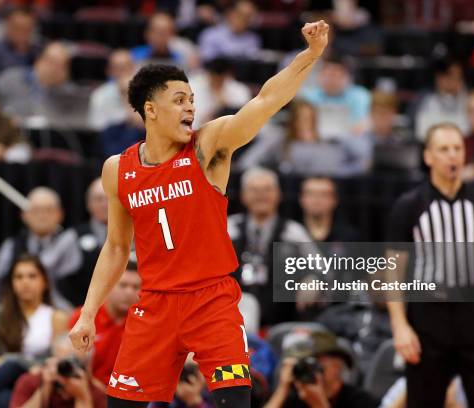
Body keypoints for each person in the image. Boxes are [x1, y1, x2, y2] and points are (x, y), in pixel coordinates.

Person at [69, 20, 331, 408]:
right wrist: (88, 313)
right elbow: (116, 247)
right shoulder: (117, 170)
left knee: (235, 400)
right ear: (150, 110)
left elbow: (265, 101)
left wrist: (309, 56)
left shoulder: (208, 147)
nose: (190, 105)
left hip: (211, 302)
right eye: (179, 99)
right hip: (155, 304)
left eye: (192, 98)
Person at [386, 123, 474, 408]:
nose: (452, 156)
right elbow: (393, 269)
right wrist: (399, 325)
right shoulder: (409, 205)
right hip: (428, 313)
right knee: (424, 399)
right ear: (428, 157)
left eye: (457, 149)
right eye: (444, 149)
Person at [0, 254, 69, 407]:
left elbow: (57, 363)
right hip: (1, 383)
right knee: (3, 398)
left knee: (11, 366)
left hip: (39, 383)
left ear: (45, 282)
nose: (25, 282)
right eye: (19, 277)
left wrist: (14, 359)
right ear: (11, 283)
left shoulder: (57, 318)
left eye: (32, 276)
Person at [228, 167, 314, 326]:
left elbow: (321, 269)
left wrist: (312, 281)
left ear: (278, 194)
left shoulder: (293, 232)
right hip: (230, 318)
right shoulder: (229, 229)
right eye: (254, 190)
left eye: (267, 189)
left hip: (281, 320)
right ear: (243, 196)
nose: (261, 195)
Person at [0, 187, 82, 316]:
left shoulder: (70, 243)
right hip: (17, 320)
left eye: (48, 210)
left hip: (64, 319)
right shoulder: (12, 246)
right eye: (36, 210)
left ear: (60, 214)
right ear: (24, 215)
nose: (42, 216)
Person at [236, 99, 367, 176]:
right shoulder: (280, 139)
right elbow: (247, 162)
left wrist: (342, 135)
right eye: (301, 119)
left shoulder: (329, 142)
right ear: (293, 122)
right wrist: (269, 177)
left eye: (311, 120)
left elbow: (362, 161)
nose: (306, 125)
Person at [265, 330, 380, 408]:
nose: (311, 369)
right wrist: (282, 389)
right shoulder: (295, 397)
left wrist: (319, 404)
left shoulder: (360, 401)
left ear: (337, 365)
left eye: (315, 362)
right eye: (305, 362)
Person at [68, 264, 141, 385]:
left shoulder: (145, 322)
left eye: (136, 287)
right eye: (123, 285)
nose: (129, 292)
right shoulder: (83, 318)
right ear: (109, 287)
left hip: (127, 393)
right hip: (87, 387)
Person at [10, 334, 107, 408]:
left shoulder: (96, 393)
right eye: (63, 363)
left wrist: (82, 398)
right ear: (51, 360)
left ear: (87, 368)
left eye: (76, 363)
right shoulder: (31, 381)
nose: (69, 369)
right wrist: (45, 388)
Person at [59, 178, 109, 307]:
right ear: (88, 204)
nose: (105, 204)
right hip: (80, 313)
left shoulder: (135, 232)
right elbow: (45, 270)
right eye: (99, 199)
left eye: (109, 198)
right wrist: (62, 307)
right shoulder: (73, 236)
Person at [299, 55, 371, 138]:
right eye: (328, 75)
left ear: (347, 77)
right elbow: (302, 125)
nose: (331, 80)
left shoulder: (360, 96)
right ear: (319, 76)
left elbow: (362, 124)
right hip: (315, 141)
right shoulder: (307, 96)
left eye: (336, 75)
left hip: (349, 141)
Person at [0, 7, 41, 78]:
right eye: (17, 28)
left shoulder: (39, 53)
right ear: (7, 26)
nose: (21, 33)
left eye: (27, 29)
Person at [413, 58, 468, 141]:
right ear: (439, 78)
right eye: (451, 75)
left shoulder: (469, 100)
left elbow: (467, 131)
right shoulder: (425, 99)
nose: (456, 80)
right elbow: (421, 133)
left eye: (459, 77)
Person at [188, 57, 251, 129]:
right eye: (214, 79)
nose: (217, 82)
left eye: (221, 80)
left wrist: (224, 105)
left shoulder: (240, 90)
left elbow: (245, 119)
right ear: (208, 74)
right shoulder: (193, 87)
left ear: (228, 75)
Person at [89, 49, 137, 131]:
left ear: (133, 68)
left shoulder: (145, 93)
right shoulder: (100, 95)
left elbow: (142, 124)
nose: (122, 72)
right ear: (109, 71)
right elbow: (97, 128)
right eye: (118, 68)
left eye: (126, 67)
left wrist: (126, 95)